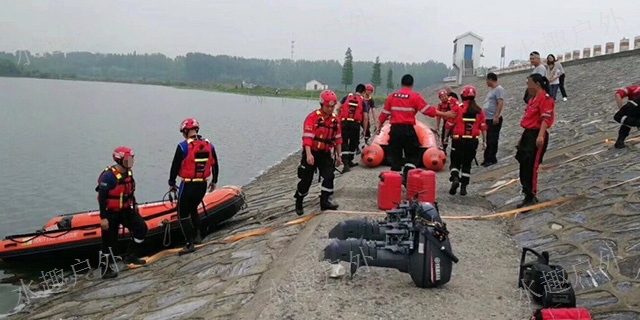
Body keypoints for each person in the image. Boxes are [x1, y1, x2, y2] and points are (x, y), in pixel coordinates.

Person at [376, 74, 454, 182]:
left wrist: (379, 126)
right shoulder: (415, 96)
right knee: (413, 154)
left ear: (401, 83)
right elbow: (428, 110)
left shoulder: (392, 96)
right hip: (408, 130)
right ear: (412, 84)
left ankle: (393, 182)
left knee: (395, 156)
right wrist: (446, 114)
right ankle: (407, 175)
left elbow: (384, 114)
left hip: (394, 130)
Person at [168, 118, 219, 254]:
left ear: (185, 132)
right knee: (193, 209)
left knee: (183, 214)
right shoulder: (209, 145)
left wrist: (171, 183)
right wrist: (214, 181)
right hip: (202, 185)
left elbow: (174, 167)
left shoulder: (183, 147)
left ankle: (189, 244)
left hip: (188, 185)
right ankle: (198, 236)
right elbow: (215, 164)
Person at [96, 146, 148, 279]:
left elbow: (130, 191)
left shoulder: (128, 174)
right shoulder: (108, 177)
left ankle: (131, 256)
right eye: (128, 160)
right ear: (119, 160)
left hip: (125, 210)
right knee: (108, 242)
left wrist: (135, 204)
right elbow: (102, 198)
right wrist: (103, 218)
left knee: (141, 228)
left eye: (132, 159)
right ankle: (105, 269)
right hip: (110, 213)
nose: (131, 162)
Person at [294, 90, 343, 216]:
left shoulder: (335, 120)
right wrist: (309, 154)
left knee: (329, 176)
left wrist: (339, 156)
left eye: (332, 106)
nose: (331, 109)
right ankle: (299, 199)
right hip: (312, 152)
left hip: (325, 154)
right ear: (322, 104)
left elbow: (338, 139)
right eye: (328, 106)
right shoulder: (313, 118)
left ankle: (325, 200)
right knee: (306, 181)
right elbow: (307, 138)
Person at [516, 74, 555, 209]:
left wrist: (540, 136)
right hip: (528, 134)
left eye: (529, 83)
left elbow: (545, 118)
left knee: (532, 166)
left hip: (537, 134)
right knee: (523, 164)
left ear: (537, 84)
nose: (528, 86)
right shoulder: (532, 99)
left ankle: (531, 195)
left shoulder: (545, 99)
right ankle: (526, 192)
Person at [444, 85, 487, 196]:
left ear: (462, 95)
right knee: (467, 164)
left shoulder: (458, 108)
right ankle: (464, 188)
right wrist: (485, 142)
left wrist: (445, 138)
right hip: (472, 141)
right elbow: (483, 127)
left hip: (458, 140)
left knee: (455, 162)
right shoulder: (479, 111)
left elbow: (449, 124)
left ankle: (455, 179)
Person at [336, 84, 368, 172]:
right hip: (355, 124)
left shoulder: (347, 97)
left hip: (344, 123)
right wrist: (364, 130)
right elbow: (365, 117)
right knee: (353, 143)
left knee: (344, 142)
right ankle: (349, 161)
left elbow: (338, 107)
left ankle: (345, 163)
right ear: (363, 92)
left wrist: (339, 117)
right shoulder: (363, 101)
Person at [482, 72, 506, 167]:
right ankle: (487, 157)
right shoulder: (491, 90)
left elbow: (500, 103)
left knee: (493, 139)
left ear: (490, 79)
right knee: (488, 138)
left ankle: (492, 158)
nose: (486, 82)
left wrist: (497, 116)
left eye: (487, 80)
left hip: (494, 118)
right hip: (487, 118)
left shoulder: (499, 90)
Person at [613, 84, 640, 148]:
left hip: (632, 110)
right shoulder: (635, 89)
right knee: (627, 121)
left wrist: (621, 109)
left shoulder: (635, 88)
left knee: (626, 120)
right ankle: (620, 141)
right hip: (633, 110)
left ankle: (620, 141)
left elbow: (618, 94)